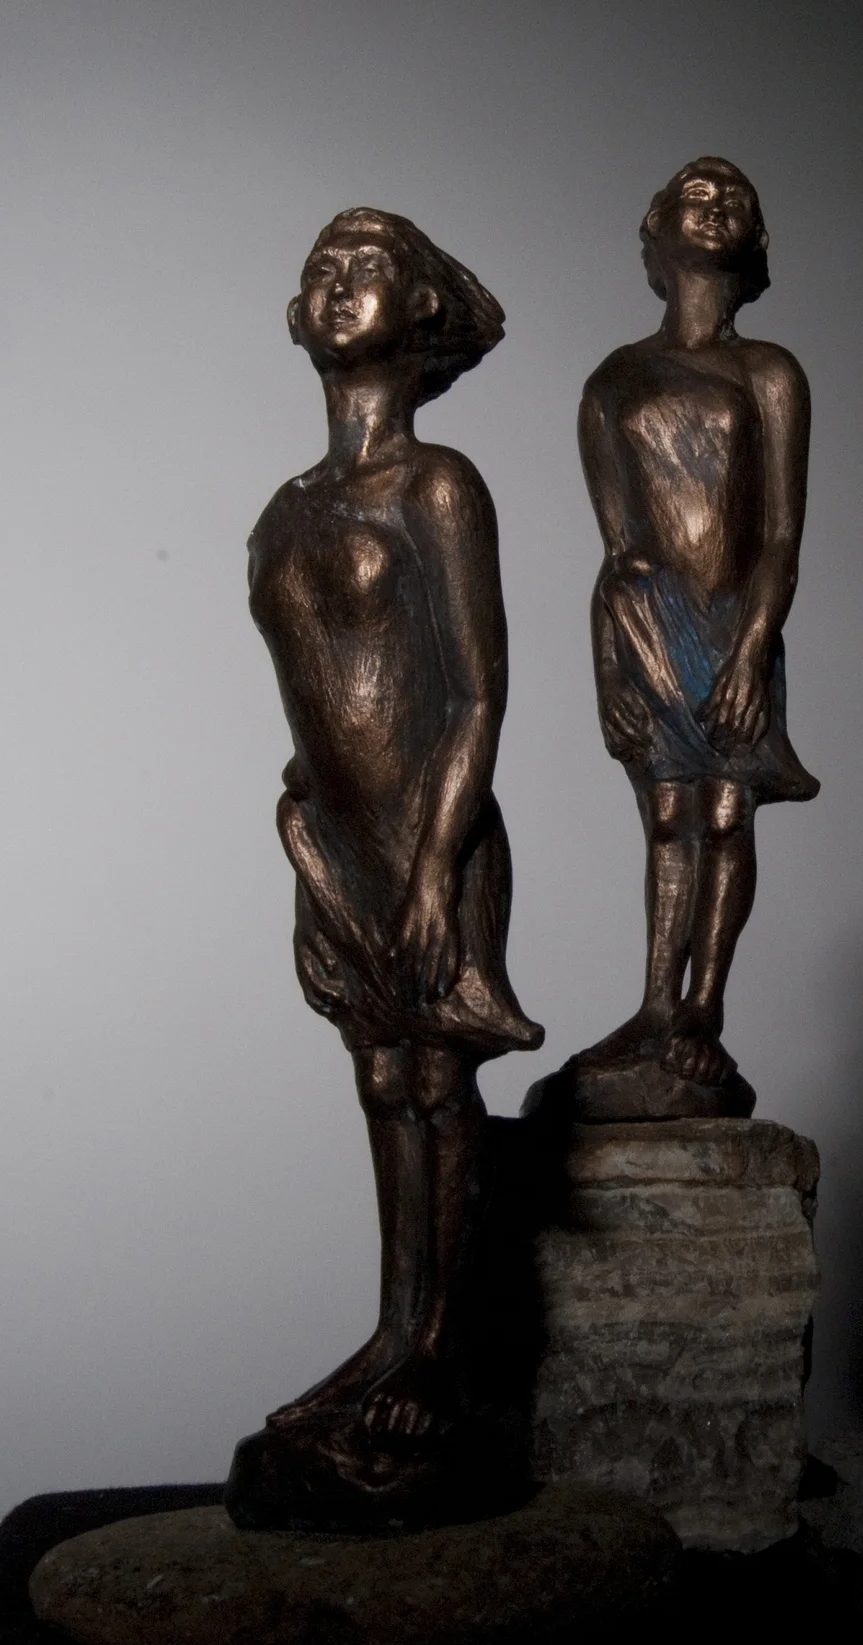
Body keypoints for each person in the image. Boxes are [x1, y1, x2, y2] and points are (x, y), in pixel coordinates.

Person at [227, 208, 542, 1529]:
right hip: (336, 839)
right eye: (322, 270)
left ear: (422, 312)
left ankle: (437, 1352)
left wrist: (432, 865)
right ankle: (393, 1331)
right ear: (296, 317)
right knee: (378, 1076)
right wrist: (325, 833)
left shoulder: (438, 488)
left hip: (431, 837)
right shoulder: (284, 509)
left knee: (434, 1077)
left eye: (368, 269)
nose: (337, 284)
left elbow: (475, 690)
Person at [565, 157, 819, 1109]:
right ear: (656, 223)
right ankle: (654, 1008)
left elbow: (783, 536)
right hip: (647, 622)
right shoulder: (613, 380)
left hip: (735, 621)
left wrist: (753, 651)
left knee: (725, 812)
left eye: (735, 199)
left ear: (756, 241)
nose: (717, 206)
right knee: (668, 814)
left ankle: (702, 1010)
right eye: (697, 195)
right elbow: (615, 548)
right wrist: (609, 672)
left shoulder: (770, 374)